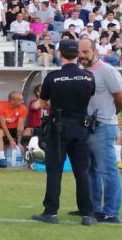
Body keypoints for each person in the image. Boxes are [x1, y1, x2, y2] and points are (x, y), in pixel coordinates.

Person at [32, 40, 97, 226]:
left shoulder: (53, 78)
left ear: (60, 53)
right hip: (80, 127)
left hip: (58, 128)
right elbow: (89, 97)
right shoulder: (88, 77)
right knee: (82, 172)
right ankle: (88, 214)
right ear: (78, 54)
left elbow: (43, 103)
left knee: (54, 171)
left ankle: (50, 212)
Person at [78, 37, 122, 223]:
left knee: (107, 170)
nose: (82, 56)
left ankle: (111, 212)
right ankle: (93, 208)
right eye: (79, 52)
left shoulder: (107, 70)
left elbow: (119, 97)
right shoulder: (82, 71)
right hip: (88, 126)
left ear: (95, 51)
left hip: (103, 125)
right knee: (90, 170)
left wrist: (110, 114)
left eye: (85, 52)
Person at [0, 91, 27, 167]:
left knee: (30, 131)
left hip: (15, 129)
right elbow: (3, 125)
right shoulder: (0, 106)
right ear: (12, 101)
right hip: (3, 128)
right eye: (20, 100)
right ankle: (2, 158)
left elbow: (20, 127)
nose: (22, 102)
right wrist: (11, 140)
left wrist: (19, 142)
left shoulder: (23, 108)